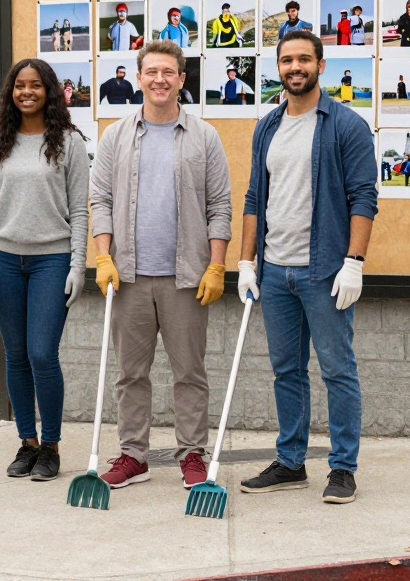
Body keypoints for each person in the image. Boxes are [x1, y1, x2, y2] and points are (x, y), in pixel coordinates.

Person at [236, 29, 377, 505]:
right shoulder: (267, 126)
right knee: (286, 371)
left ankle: (342, 468)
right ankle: (291, 462)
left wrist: (353, 263)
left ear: (320, 64)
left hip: (325, 273)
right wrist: (246, 261)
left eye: (303, 59)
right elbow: (256, 196)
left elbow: (364, 198)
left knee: (338, 370)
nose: (294, 67)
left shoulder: (345, 125)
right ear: (278, 67)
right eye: (286, 61)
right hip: (275, 272)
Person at [89, 39, 232, 491]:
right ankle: (133, 455)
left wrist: (216, 266)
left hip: (185, 277)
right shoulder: (115, 136)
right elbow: (101, 200)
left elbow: (220, 205)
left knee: (189, 371)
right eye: (151, 71)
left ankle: (192, 452)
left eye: (168, 72)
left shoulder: (204, 137)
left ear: (181, 80)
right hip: (128, 277)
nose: (159, 80)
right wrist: (103, 256)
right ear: (138, 77)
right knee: (130, 373)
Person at [0, 58, 89, 482]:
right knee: (16, 355)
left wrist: (78, 266)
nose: (26, 92)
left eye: (35, 86)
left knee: (42, 353)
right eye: (19, 85)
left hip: (51, 261)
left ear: (49, 91)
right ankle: (28, 443)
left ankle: (52, 445)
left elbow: (80, 210)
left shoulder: (69, 142)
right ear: (11, 92)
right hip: (3, 259)